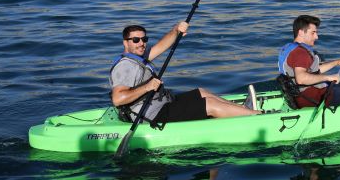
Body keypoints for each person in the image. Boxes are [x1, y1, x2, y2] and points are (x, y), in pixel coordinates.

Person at [110, 22, 260, 128]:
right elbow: (118, 99)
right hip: (152, 115)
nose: (141, 43)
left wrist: (175, 30)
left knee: (201, 92)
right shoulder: (125, 66)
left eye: (144, 39)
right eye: (136, 40)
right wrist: (147, 87)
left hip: (163, 103)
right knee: (209, 105)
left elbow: (161, 46)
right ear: (125, 43)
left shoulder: (139, 58)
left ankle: (243, 110)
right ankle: (257, 116)